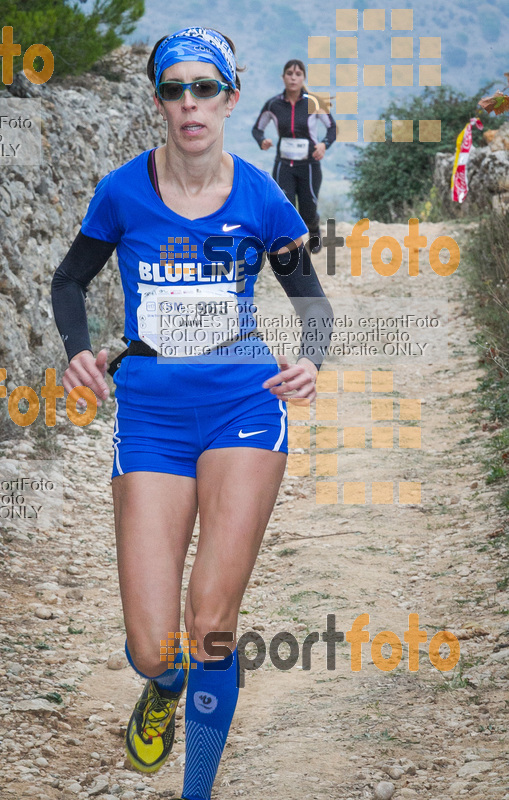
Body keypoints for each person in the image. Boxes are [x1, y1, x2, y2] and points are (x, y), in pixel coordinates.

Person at [51, 27, 333, 800]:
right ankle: (164, 689)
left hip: (244, 405)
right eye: (173, 89)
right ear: (158, 102)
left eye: (204, 88)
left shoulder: (260, 197)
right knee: (153, 646)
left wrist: (310, 357)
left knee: (210, 619)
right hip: (150, 418)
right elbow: (69, 281)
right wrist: (80, 349)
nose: (189, 103)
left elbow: (310, 301)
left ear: (230, 99)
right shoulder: (122, 191)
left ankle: (197, 790)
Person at [252, 59, 336, 254]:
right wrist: (262, 140)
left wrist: (324, 144)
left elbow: (331, 128)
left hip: (309, 166)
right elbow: (257, 129)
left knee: (308, 209)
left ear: (303, 78)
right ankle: (290, 247)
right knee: (284, 206)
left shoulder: (313, 103)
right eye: (289, 73)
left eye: (298, 74)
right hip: (283, 165)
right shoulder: (273, 104)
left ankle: (314, 231)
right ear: (283, 78)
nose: (293, 77)